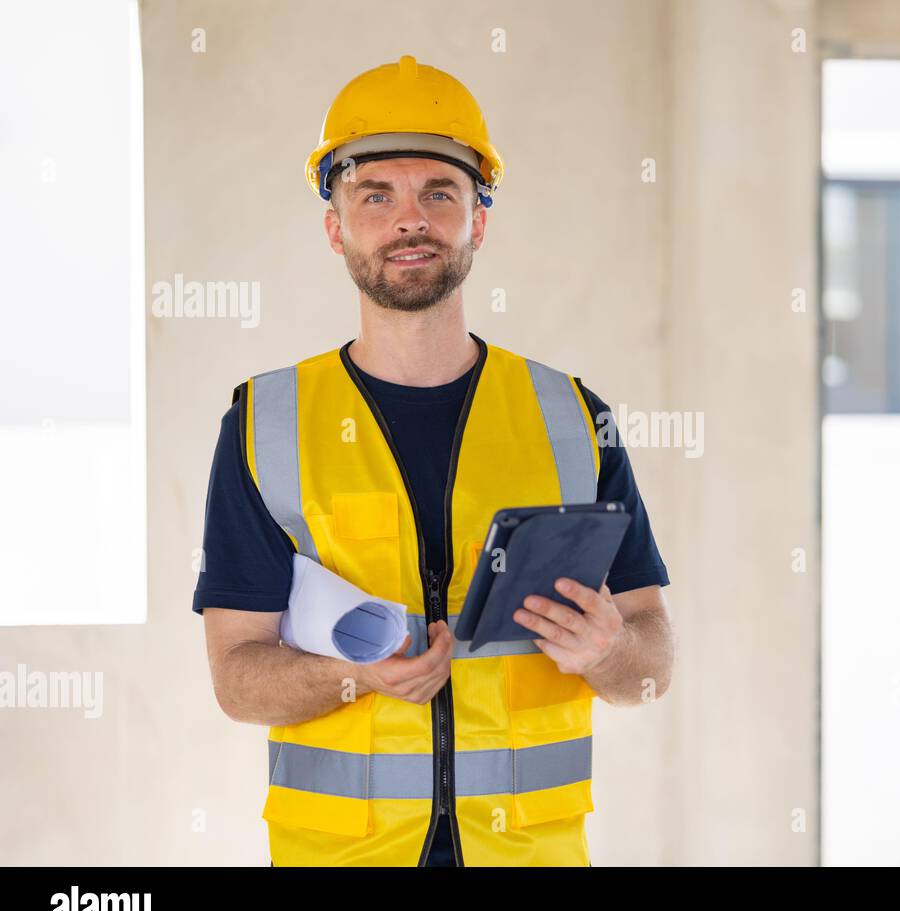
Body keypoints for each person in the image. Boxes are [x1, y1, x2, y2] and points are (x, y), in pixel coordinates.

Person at [193, 55, 674, 867]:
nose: (408, 219)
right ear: (335, 227)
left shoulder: (573, 419)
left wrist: (610, 654)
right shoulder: (264, 424)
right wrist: (355, 678)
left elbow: (652, 661)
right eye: (375, 194)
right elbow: (237, 680)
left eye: (438, 193)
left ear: (478, 220)